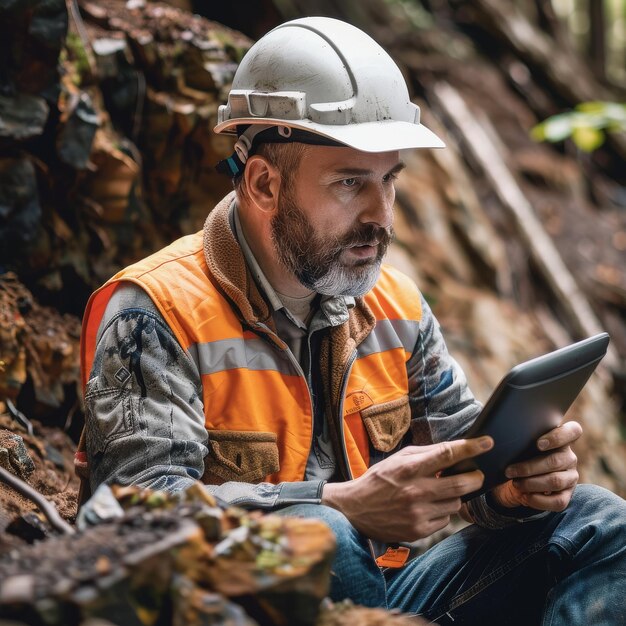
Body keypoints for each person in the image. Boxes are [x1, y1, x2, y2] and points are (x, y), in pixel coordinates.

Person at [79, 16, 626, 625]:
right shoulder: (156, 312)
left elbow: (466, 461)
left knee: (600, 522)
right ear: (263, 184)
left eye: (389, 181)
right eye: (350, 184)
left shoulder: (396, 308)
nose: (381, 217)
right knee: (324, 541)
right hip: (225, 605)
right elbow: (133, 518)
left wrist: (510, 490)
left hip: (386, 599)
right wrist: (339, 503)